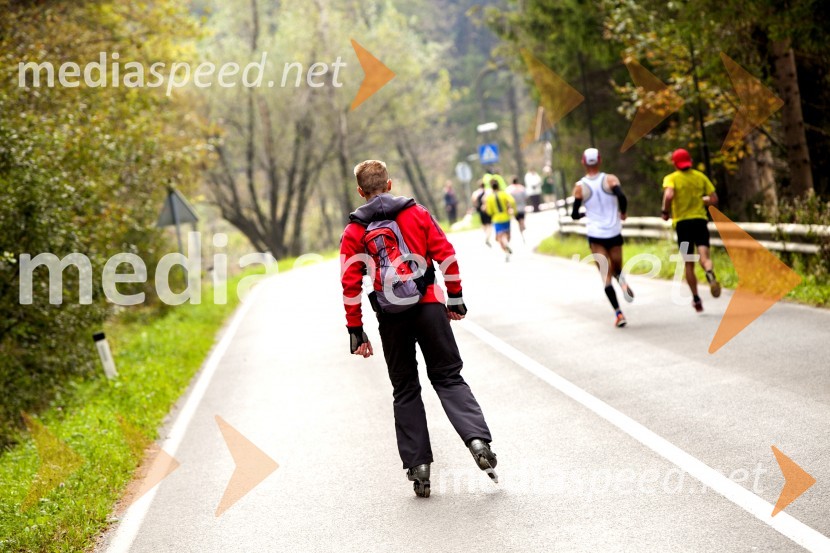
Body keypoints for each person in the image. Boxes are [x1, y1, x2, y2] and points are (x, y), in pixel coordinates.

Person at [340, 160, 498, 498]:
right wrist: (455, 297)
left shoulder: (354, 231)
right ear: (389, 184)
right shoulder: (416, 213)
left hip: (390, 316)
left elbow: (350, 283)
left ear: (360, 191)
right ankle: (477, 440)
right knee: (448, 377)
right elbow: (446, 255)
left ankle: (419, 468)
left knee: (405, 389)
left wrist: (355, 329)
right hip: (429, 306)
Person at [571, 148, 634, 327]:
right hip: (613, 231)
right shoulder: (610, 179)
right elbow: (622, 196)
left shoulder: (580, 187)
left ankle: (619, 314)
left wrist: (584, 214)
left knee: (605, 275)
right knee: (617, 268)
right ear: (599, 161)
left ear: (583, 162)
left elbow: (574, 214)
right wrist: (623, 212)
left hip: (595, 235)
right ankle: (623, 283)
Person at [661, 148, 721, 312]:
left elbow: (668, 195)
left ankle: (696, 298)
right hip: (700, 222)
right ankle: (709, 271)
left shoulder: (672, 178)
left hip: (683, 225)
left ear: (674, 163)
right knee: (705, 257)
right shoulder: (700, 177)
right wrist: (703, 200)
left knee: (688, 263)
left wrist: (665, 211)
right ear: (690, 161)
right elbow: (714, 199)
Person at [485, 178, 517, 262]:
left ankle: (505, 248)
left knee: (499, 237)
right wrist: (512, 209)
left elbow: (489, 211)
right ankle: (506, 244)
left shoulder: (489, 197)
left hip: (496, 218)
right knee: (506, 234)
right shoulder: (504, 194)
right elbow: (512, 201)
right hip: (506, 216)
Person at [506, 176, 528, 243]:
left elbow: (507, 200)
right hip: (522, 207)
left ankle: (522, 232)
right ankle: (523, 227)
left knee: (519, 221)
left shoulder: (509, 189)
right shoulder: (522, 188)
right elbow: (526, 197)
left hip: (514, 209)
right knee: (522, 220)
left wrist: (508, 208)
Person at [472, 180, 493, 247]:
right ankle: (487, 236)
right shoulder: (488, 191)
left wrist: (477, 208)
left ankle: (486, 235)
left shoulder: (476, 193)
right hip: (487, 210)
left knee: (483, 224)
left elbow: (474, 201)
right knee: (489, 224)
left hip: (480, 210)